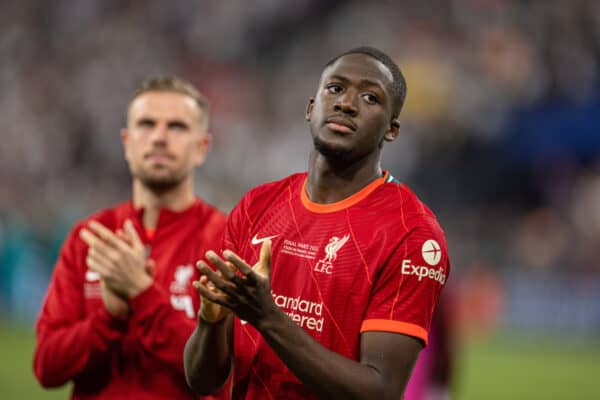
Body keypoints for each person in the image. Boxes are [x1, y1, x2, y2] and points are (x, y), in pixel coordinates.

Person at [183, 46, 451, 400]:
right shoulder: (257, 206)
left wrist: (267, 317)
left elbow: (380, 391)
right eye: (335, 89)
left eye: (370, 97)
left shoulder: (411, 235)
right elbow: (202, 381)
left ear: (392, 130)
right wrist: (210, 322)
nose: (346, 104)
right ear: (311, 108)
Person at [33, 76, 227, 399]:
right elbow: (47, 367)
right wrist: (109, 317)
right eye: (146, 124)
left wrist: (141, 293)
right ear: (126, 142)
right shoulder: (90, 237)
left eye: (177, 127)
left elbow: (224, 377)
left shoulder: (226, 240)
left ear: (202, 147)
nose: (160, 138)